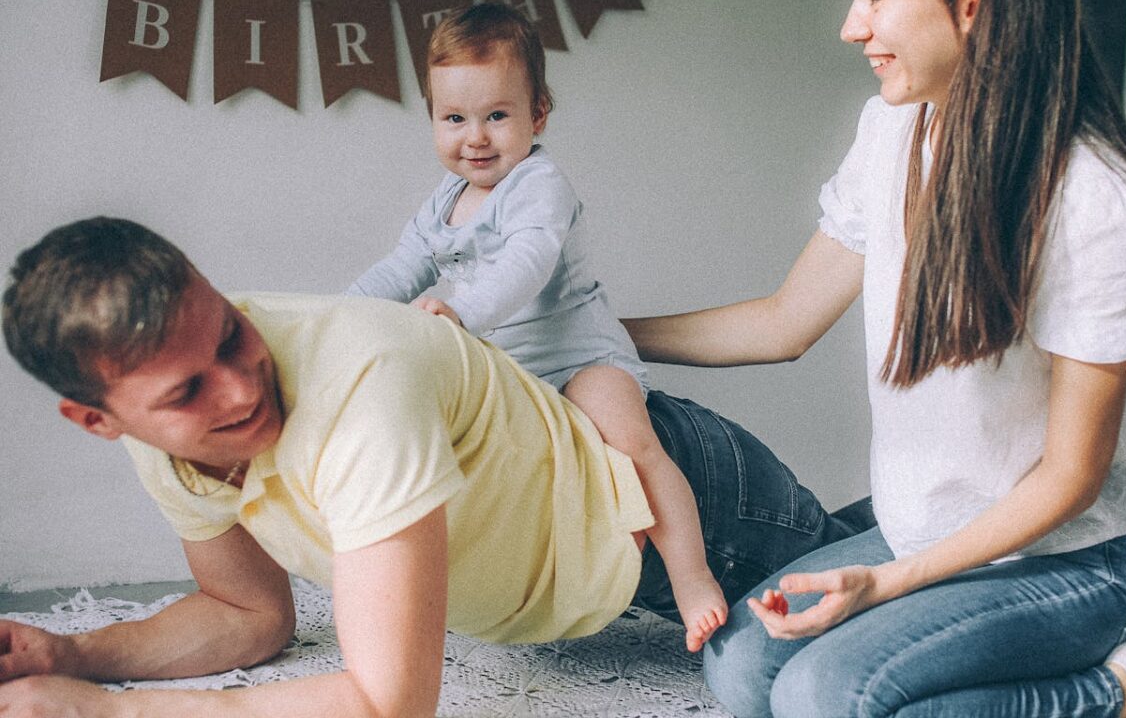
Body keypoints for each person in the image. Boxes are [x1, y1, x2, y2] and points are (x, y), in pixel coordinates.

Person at [623, 0, 1126, 716]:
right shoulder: (891, 131)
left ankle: (1117, 692)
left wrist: (888, 583)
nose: (852, 26)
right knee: (743, 671)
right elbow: (785, 322)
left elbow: (1072, 476)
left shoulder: (1095, 202)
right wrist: (598, 334)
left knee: (827, 696)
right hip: (922, 530)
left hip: (1068, 557)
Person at [0, 216, 864, 717]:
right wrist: (73, 652)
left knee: (870, 599)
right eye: (189, 389)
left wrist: (113, 711)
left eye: (231, 331)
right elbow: (246, 615)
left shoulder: (362, 379)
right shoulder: (166, 453)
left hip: (689, 501)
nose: (238, 390)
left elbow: (389, 703)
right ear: (99, 421)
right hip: (591, 571)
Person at [347, 3, 726, 650]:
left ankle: (693, 579)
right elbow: (402, 268)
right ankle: (531, 589)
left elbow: (526, 263)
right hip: (512, 375)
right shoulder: (444, 202)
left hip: (581, 360)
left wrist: (462, 314)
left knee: (630, 443)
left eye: (497, 115)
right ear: (433, 120)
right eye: (455, 118)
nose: (477, 137)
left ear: (537, 114)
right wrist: (341, 318)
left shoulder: (537, 184)